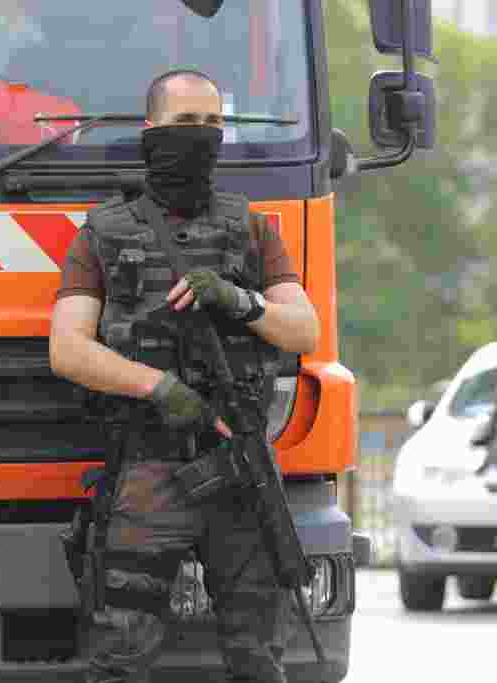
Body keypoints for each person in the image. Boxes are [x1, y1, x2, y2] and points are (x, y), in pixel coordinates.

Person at [49, 69, 320, 683]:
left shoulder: (251, 228)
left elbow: (304, 332)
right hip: (149, 468)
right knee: (120, 658)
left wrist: (239, 300)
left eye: (212, 125)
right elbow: (67, 349)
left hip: (240, 467)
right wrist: (161, 389)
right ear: (151, 132)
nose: (200, 137)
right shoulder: (105, 233)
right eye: (184, 124)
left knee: (260, 658)